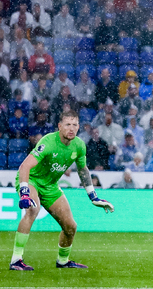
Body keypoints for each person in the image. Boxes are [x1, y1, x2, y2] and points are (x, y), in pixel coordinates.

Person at [9, 110, 114, 271]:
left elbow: (83, 170)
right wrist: (24, 192)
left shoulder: (79, 145)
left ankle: (63, 261)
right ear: (59, 126)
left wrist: (93, 196)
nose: (71, 128)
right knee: (32, 209)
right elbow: (25, 166)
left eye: (75, 124)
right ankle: (16, 260)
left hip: (51, 186)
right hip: (32, 180)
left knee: (71, 226)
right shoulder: (49, 142)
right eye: (67, 124)